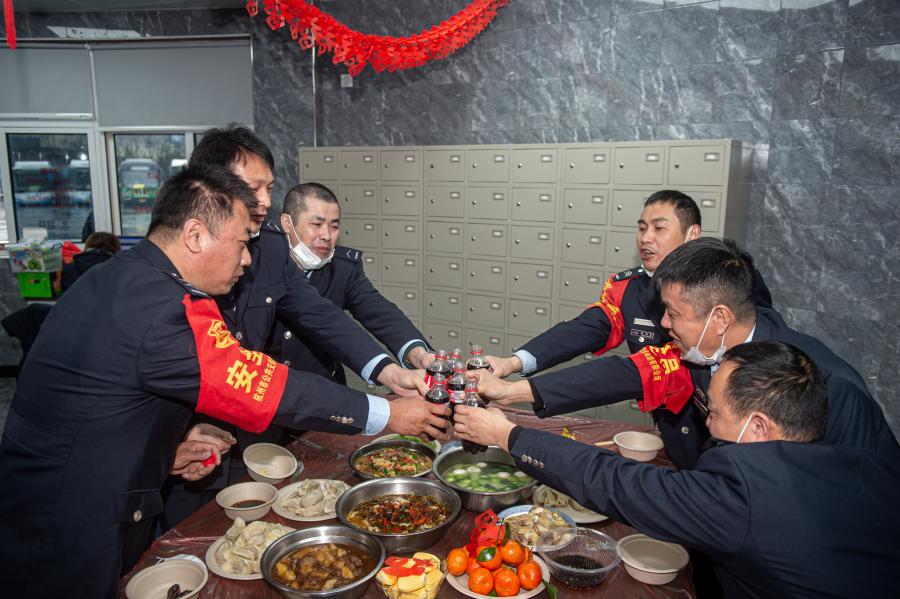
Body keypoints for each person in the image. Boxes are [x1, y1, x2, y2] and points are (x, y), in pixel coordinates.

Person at [0, 166, 448, 599]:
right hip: (67, 520)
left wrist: (166, 448)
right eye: (241, 243)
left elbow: (104, 401)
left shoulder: (126, 276)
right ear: (195, 235)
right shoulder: (164, 308)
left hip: (64, 496)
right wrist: (386, 412)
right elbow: (262, 384)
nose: (249, 258)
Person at [454, 341, 900, 598]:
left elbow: (619, 483)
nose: (706, 420)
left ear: (759, 426)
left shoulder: (749, 497)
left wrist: (508, 435)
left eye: (716, 412)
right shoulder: (865, 461)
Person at [473, 238, 899, 468]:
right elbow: (624, 374)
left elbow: (864, 499)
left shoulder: (829, 388)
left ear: (718, 317)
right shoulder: (704, 348)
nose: (663, 325)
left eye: (673, 314)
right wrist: (511, 391)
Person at [266, 182, 430, 380]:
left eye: (334, 226)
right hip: (267, 392)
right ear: (287, 224)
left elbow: (379, 311)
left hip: (326, 389)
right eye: (316, 225)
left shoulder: (342, 269)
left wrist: (417, 353)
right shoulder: (259, 262)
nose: (326, 235)